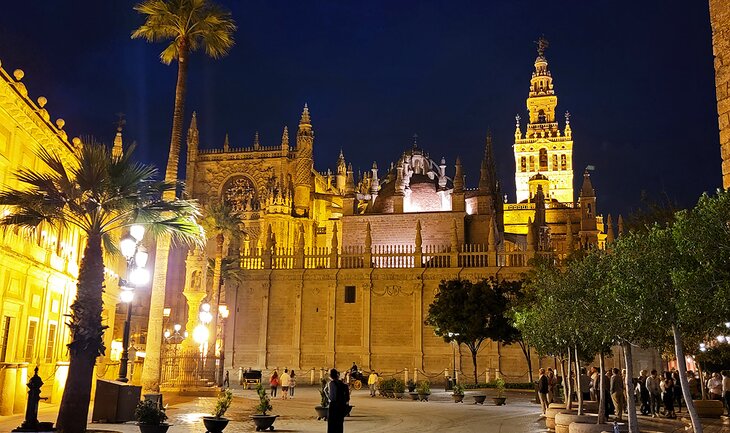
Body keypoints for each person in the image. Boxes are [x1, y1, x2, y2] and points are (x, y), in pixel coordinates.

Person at [327, 368, 350, 433]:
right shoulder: (342, 384)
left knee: (332, 424)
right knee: (339, 424)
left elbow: (332, 397)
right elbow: (347, 396)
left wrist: (329, 399)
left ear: (331, 375)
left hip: (334, 406)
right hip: (341, 405)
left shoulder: (332, 384)